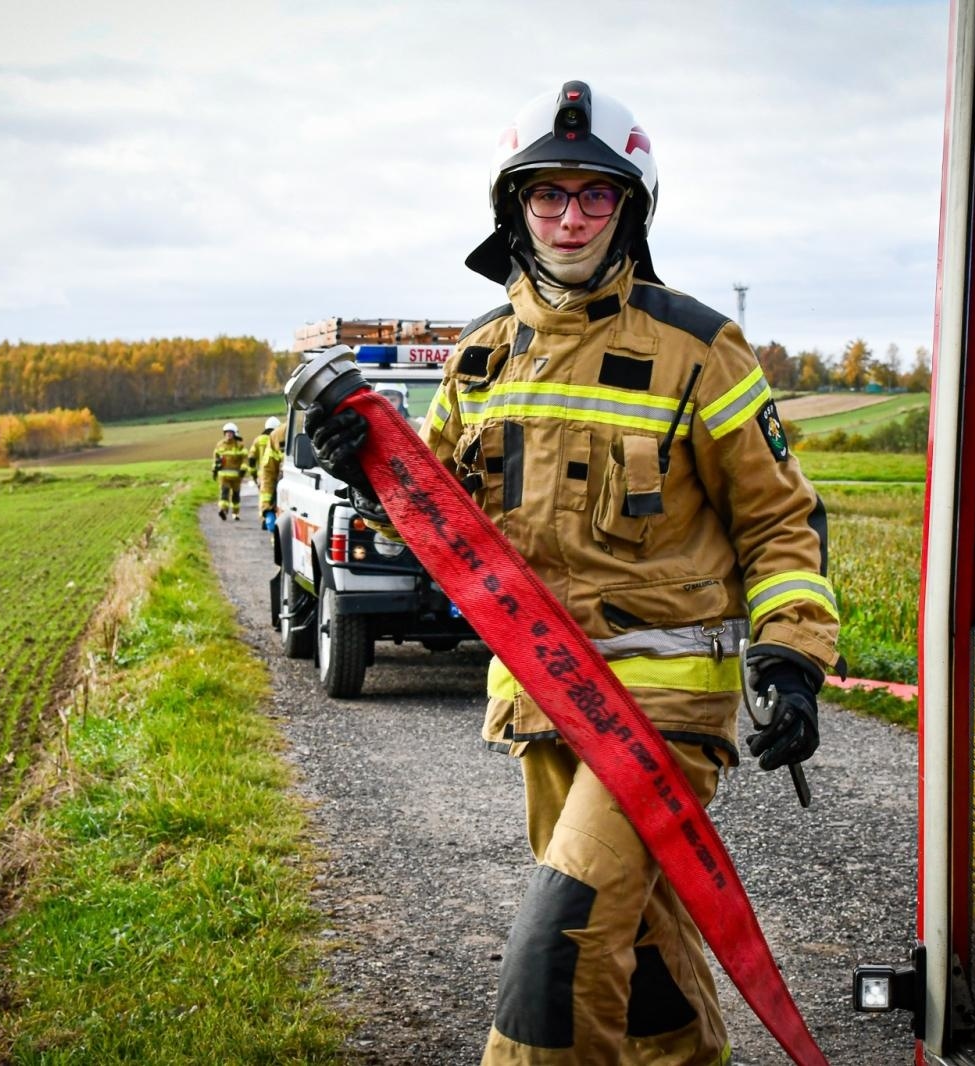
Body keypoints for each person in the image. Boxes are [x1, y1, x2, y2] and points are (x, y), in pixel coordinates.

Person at [308, 80, 839, 1065]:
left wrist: (792, 657)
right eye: (547, 194)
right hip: (542, 695)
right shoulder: (478, 359)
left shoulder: (699, 349)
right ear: (513, 208)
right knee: (639, 948)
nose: (570, 217)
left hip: (662, 704)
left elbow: (779, 518)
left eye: (595, 194)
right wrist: (370, 479)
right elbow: (442, 532)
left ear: (630, 208)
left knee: (559, 950)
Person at [252, 416, 286, 531]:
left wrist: (253, 474)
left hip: (265, 475)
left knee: (264, 496)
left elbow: (251, 458)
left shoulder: (258, 440)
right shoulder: (278, 436)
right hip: (276, 480)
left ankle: (264, 517)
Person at [212, 422, 246, 521]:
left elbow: (245, 458)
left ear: (234, 433)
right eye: (227, 432)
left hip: (236, 476)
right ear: (224, 433)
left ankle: (235, 513)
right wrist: (214, 470)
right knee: (224, 493)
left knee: (236, 495)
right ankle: (223, 510)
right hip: (224, 476)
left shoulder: (240, 445)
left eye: (230, 432)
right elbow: (216, 459)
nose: (228, 434)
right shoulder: (220, 445)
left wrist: (243, 469)